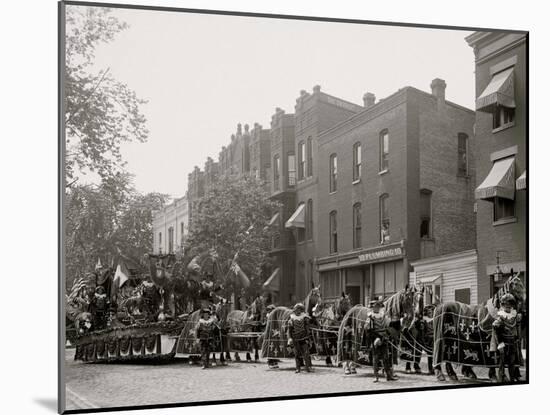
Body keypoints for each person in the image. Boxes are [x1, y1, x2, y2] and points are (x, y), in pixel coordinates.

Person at [491, 293, 521, 382]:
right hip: (503, 344)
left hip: (512, 343)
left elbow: (516, 329)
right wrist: (500, 343)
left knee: (512, 363)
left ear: (512, 306)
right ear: (502, 305)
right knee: (502, 363)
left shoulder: (514, 316)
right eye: (506, 305)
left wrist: (517, 338)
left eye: (510, 305)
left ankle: (512, 378)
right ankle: (501, 378)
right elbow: (496, 331)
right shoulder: (500, 318)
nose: (508, 307)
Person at [367, 300, 398, 382]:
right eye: (375, 307)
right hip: (376, 340)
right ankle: (376, 376)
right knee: (376, 358)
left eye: (378, 306)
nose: (376, 308)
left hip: (384, 339)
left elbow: (387, 328)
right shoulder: (370, 317)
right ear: (372, 308)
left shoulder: (383, 316)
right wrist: (376, 339)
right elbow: (369, 331)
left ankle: (388, 376)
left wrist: (386, 336)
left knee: (386, 358)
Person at [287, 303, 313, 373]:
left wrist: (308, 336)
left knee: (306, 353)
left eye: (300, 309)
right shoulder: (291, 318)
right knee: (297, 354)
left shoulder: (304, 317)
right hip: (295, 339)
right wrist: (290, 338)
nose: (299, 311)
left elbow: (307, 327)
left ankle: (307, 367)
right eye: (297, 309)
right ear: (295, 310)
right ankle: (298, 368)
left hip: (304, 338)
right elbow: (289, 330)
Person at [420, 304, 435, 375]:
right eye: (428, 313)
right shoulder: (425, 321)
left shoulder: (435, 320)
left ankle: (436, 368)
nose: (430, 314)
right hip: (428, 339)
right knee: (429, 355)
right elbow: (423, 331)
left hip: (434, 339)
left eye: (431, 312)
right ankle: (430, 369)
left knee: (435, 355)